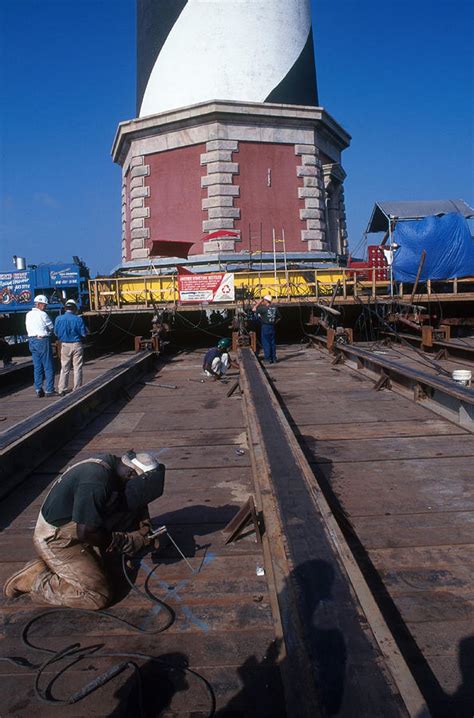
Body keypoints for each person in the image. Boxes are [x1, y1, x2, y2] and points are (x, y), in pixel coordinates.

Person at [3, 451, 165, 610]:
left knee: (124, 512)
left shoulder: (115, 466)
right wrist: (124, 542)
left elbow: (137, 500)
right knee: (96, 596)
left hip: (82, 524)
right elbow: (86, 533)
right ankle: (35, 580)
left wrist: (144, 528)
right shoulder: (96, 481)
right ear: (131, 473)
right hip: (58, 538)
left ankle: (71, 564)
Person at [54, 298, 88, 396]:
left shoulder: (58, 319)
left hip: (65, 345)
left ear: (65, 308)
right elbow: (83, 334)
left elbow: (56, 332)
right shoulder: (78, 319)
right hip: (77, 344)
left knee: (64, 368)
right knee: (77, 367)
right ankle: (77, 388)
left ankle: (62, 389)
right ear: (74, 308)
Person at [25, 294, 55, 397]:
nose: (45, 306)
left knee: (37, 366)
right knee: (48, 365)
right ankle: (49, 390)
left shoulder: (28, 314)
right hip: (42, 340)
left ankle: (38, 389)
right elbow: (51, 327)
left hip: (32, 341)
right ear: (39, 304)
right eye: (44, 305)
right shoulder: (43, 314)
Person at [252, 295, 281, 363]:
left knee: (266, 343)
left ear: (266, 301)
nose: (263, 301)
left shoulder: (263, 309)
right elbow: (279, 317)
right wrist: (274, 322)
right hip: (272, 326)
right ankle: (274, 358)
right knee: (272, 343)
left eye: (264, 300)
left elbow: (253, 309)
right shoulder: (275, 308)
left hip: (265, 327)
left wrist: (259, 302)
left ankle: (268, 358)